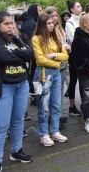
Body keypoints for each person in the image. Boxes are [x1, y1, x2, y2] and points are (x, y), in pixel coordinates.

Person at [0, 11, 34, 171]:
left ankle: (16, 151)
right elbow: (4, 57)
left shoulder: (17, 39)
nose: (11, 26)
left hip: (21, 84)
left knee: (18, 121)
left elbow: (31, 54)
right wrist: (21, 55)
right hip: (2, 86)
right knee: (0, 125)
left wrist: (17, 47)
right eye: (7, 23)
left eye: (12, 23)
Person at [32, 14, 69, 147]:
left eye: (52, 23)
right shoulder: (36, 38)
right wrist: (57, 63)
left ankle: (54, 130)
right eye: (48, 23)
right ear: (42, 24)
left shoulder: (56, 37)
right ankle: (44, 134)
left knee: (56, 104)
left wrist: (54, 55)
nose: (52, 25)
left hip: (56, 74)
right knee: (44, 106)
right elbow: (40, 59)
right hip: (43, 75)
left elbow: (65, 55)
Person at [45, 6, 70, 127]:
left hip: (63, 64)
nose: (55, 18)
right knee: (51, 93)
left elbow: (63, 42)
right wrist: (62, 50)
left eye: (56, 16)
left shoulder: (59, 28)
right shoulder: (46, 30)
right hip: (53, 65)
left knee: (59, 92)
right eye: (52, 16)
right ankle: (52, 117)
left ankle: (58, 115)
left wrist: (66, 47)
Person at [65, 1, 83, 117]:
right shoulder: (69, 23)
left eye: (80, 6)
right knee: (73, 80)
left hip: (84, 53)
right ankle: (72, 106)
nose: (80, 8)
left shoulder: (83, 19)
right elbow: (74, 38)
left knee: (84, 80)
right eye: (78, 6)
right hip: (74, 55)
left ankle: (85, 104)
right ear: (72, 10)